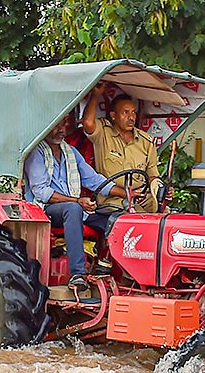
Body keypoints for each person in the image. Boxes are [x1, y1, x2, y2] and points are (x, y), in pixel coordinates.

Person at [24, 115, 128, 292]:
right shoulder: (36, 152)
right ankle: (77, 274)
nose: (62, 130)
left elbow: (94, 180)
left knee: (117, 218)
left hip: (75, 208)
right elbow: (42, 192)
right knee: (72, 209)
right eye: (57, 125)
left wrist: (127, 192)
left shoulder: (70, 152)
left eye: (64, 125)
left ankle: (114, 271)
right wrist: (78, 201)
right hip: (45, 209)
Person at [81, 88, 161, 212]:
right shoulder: (103, 133)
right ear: (113, 116)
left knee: (167, 216)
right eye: (125, 112)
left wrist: (161, 189)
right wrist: (95, 95)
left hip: (141, 198)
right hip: (112, 200)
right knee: (138, 219)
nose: (131, 117)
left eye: (133, 112)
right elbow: (87, 122)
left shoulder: (146, 141)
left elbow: (152, 176)